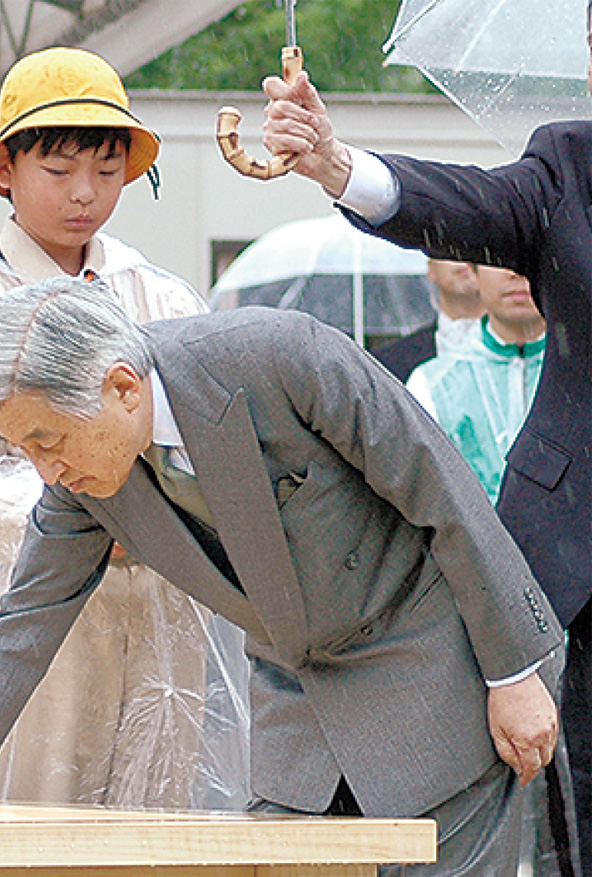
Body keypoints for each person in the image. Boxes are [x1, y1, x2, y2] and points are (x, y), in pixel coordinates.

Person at [0, 278, 562, 877]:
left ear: (121, 386)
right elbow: (24, 618)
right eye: (23, 449)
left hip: (433, 672)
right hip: (299, 708)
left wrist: (512, 672)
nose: (42, 471)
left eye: (46, 440)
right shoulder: (84, 481)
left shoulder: (280, 354)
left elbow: (443, 491)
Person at [262, 19, 592, 865]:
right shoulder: (567, 165)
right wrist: (336, 163)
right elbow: (463, 204)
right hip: (566, 571)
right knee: (562, 832)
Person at [0, 47, 248, 810]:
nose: (85, 193)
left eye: (107, 171)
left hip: (159, 616)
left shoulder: (158, 294)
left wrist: (162, 513)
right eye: (58, 170)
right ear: (6, 172)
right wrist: (92, 513)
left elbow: (217, 442)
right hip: (32, 622)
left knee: (152, 823)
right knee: (24, 825)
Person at [407, 266, 545, 505]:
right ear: (475, 272)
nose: (516, 273)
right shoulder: (431, 385)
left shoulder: (580, 374)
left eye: (527, 258)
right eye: (500, 259)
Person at [373, 258, 483, 381]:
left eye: (476, 249)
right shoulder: (386, 364)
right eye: (450, 247)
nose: (464, 258)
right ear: (431, 268)